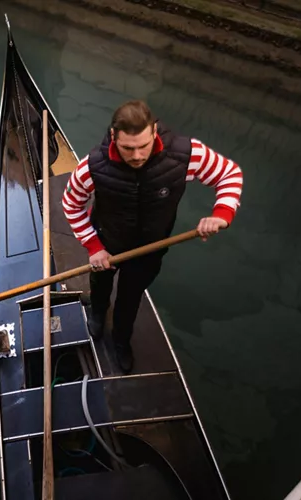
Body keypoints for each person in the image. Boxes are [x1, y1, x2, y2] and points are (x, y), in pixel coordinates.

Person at [61, 100, 243, 373]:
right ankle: (97, 314)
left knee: (131, 297)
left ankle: (120, 340)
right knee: (100, 282)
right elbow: (71, 204)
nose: (137, 155)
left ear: (154, 131)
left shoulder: (185, 154)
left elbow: (229, 174)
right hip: (106, 242)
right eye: (128, 148)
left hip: (150, 248)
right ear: (113, 136)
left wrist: (221, 213)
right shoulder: (92, 167)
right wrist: (94, 247)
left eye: (143, 146)